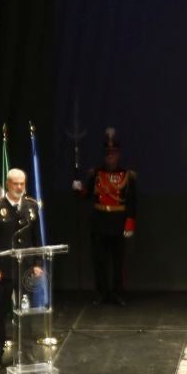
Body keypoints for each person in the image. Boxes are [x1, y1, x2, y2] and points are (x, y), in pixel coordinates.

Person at [0, 167, 45, 368]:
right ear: (8, 184)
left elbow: (36, 238)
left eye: (22, 184)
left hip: (24, 269)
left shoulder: (31, 207)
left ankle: (26, 353)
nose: (19, 187)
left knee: (25, 314)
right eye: (15, 183)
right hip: (2, 271)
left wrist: (37, 263)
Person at [74, 126, 136, 306]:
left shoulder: (127, 176)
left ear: (119, 154)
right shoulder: (96, 174)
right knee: (99, 260)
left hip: (118, 221)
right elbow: (87, 195)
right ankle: (101, 293)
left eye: (113, 152)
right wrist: (79, 190)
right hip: (99, 221)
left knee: (118, 262)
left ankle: (118, 292)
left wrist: (130, 222)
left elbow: (131, 201)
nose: (110, 156)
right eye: (108, 152)